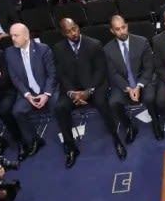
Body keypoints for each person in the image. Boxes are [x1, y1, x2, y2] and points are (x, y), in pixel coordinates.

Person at [54, 17, 125, 165]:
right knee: (60, 107)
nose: (73, 33)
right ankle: (71, 147)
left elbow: (100, 71)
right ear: (63, 33)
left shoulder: (94, 44)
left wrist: (89, 90)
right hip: (73, 90)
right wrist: (72, 93)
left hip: (94, 86)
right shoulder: (58, 49)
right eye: (68, 31)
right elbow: (61, 75)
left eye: (74, 29)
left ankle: (116, 139)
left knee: (102, 102)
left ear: (78, 27)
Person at [5, 23, 63, 162]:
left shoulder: (43, 49)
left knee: (58, 106)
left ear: (26, 36)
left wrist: (46, 94)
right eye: (11, 35)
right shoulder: (9, 52)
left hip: (47, 89)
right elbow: (15, 78)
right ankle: (34, 140)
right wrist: (27, 95)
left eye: (16, 35)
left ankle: (66, 136)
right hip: (28, 92)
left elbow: (52, 74)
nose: (13, 38)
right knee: (17, 111)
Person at [104, 15, 158, 140]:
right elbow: (112, 74)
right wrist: (128, 88)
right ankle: (129, 126)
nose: (122, 31)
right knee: (113, 102)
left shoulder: (142, 42)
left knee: (150, 97)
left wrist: (139, 86)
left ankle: (156, 122)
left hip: (142, 81)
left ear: (127, 26)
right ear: (112, 31)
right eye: (117, 29)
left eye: (123, 27)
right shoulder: (107, 49)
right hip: (123, 84)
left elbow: (149, 67)